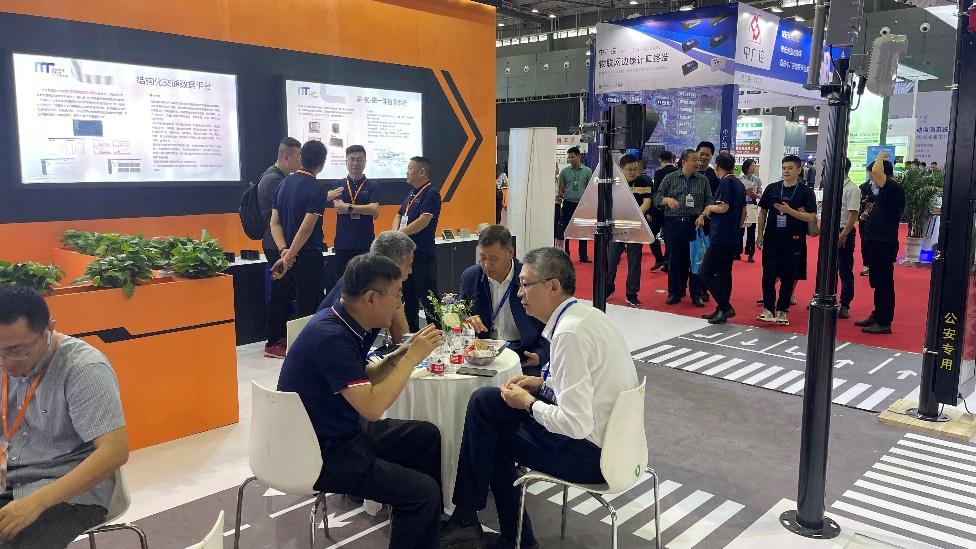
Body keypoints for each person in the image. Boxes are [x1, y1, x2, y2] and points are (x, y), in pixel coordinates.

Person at [440, 247, 638, 549]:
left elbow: (575, 424)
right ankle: (470, 520)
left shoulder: (569, 334)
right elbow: (588, 385)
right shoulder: (588, 316)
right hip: (619, 443)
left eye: (525, 285)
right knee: (485, 402)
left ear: (553, 287)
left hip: (592, 456)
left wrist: (529, 403)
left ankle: (506, 535)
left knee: (492, 435)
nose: (519, 293)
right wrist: (541, 383)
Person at [278, 254, 444, 549]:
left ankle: (419, 529)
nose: (399, 304)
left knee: (425, 435)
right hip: (321, 453)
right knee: (423, 493)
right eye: (397, 295)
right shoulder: (332, 337)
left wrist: (399, 355)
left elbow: (361, 378)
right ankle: (417, 515)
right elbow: (372, 408)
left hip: (333, 434)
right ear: (371, 298)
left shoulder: (340, 321)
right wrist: (413, 359)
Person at [0, 284, 128, 548]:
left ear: (49, 328)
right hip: (8, 478)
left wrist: (37, 502)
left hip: (67, 490)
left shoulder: (83, 368)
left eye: (16, 350)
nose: (6, 362)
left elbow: (115, 451)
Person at [460, 225, 549, 376]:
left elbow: (548, 321)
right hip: (483, 353)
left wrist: (541, 353)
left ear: (510, 252)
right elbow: (460, 313)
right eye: (482, 257)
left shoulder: (531, 277)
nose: (487, 264)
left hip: (523, 353)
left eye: (494, 259)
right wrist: (467, 320)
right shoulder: (470, 277)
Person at [269, 140, 330, 331]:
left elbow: (274, 223)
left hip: (288, 254)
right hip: (307, 256)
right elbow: (306, 228)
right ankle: (306, 347)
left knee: (289, 305)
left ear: (301, 158)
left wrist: (284, 251)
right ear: (322, 164)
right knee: (309, 309)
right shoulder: (317, 189)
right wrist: (290, 255)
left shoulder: (284, 183)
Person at [318, 230, 415, 348]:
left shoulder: (377, 283)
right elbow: (403, 341)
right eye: (408, 265)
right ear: (392, 266)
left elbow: (403, 339)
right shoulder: (357, 288)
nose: (410, 271)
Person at [755, 155, 817, 326]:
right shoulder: (773, 188)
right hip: (771, 238)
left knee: (788, 276)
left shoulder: (805, 192)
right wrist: (760, 235)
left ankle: (782, 311)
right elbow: (763, 213)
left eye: (790, 168)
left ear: (799, 170)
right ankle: (768, 309)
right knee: (768, 275)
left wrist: (790, 211)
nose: (786, 171)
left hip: (793, 240)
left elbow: (810, 216)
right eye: (784, 168)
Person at [256, 137, 303, 358]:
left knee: (285, 292)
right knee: (280, 292)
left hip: (282, 244)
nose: (301, 160)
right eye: (298, 156)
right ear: (286, 157)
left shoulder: (281, 178)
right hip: (276, 245)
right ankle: (272, 341)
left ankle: (281, 337)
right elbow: (286, 212)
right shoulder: (272, 180)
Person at [653, 149, 713, 307]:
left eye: (698, 160)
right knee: (674, 259)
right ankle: (675, 292)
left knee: (695, 258)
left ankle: (696, 293)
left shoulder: (703, 180)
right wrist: (667, 200)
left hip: (695, 223)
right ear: (684, 162)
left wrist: (703, 216)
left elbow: (709, 201)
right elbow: (656, 198)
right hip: (673, 223)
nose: (698, 163)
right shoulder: (670, 178)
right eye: (694, 160)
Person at [854, 153, 906, 334]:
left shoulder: (892, 187)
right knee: (877, 282)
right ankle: (877, 315)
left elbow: (877, 171)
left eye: (871, 174)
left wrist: (880, 156)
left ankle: (884, 321)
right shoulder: (887, 191)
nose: (871, 177)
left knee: (884, 283)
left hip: (884, 242)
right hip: (877, 242)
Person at [394, 157, 442, 333]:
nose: (407, 172)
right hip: (406, 255)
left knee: (428, 298)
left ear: (421, 172)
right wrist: (394, 233)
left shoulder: (431, 193)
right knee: (409, 298)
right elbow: (398, 216)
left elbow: (424, 220)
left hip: (423, 254)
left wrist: (399, 234)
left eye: (409, 168)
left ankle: (437, 335)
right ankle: (411, 335)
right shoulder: (411, 194)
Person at [697, 152, 746, 324]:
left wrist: (709, 208)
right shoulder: (738, 183)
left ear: (717, 166)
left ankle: (725, 307)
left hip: (721, 235)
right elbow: (743, 211)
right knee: (725, 273)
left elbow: (723, 207)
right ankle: (721, 309)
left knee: (705, 272)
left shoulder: (726, 182)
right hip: (731, 235)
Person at [330, 145, 380, 289]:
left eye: (359, 159)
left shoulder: (373, 186)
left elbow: (373, 208)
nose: (355, 163)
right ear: (346, 162)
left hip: (365, 241)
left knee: (366, 283)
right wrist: (365, 209)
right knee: (343, 283)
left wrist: (349, 208)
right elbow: (339, 207)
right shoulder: (338, 184)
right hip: (343, 242)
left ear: (365, 162)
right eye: (351, 159)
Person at [607, 154, 653, 307]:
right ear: (621, 169)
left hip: (635, 225)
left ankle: (632, 293)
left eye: (636, 169)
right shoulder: (615, 183)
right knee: (612, 259)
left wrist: (634, 215)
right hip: (617, 226)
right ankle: (608, 287)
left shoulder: (644, 182)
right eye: (630, 169)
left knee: (634, 261)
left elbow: (647, 202)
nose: (633, 172)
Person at [556, 147, 593, 263]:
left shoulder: (587, 171)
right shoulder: (565, 172)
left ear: (579, 156)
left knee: (583, 230)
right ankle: (566, 254)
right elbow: (561, 188)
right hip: (568, 204)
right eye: (569, 158)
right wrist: (560, 202)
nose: (570, 159)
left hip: (582, 205)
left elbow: (590, 188)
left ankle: (583, 255)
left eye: (572, 157)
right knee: (566, 229)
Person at [837, 158, 861, 320]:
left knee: (845, 269)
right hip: (831, 231)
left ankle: (845, 304)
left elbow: (853, 214)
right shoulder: (834, 187)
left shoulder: (852, 189)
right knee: (827, 268)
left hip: (843, 230)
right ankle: (825, 296)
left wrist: (844, 234)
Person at [648, 151, 675, 272]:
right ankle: (668, 262)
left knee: (651, 233)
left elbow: (656, 193)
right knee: (669, 237)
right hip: (673, 208)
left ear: (660, 160)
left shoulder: (659, 173)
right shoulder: (677, 172)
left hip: (659, 208)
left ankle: (660, 258)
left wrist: (651, 210)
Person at [740, 159, 763, 263]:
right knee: (740, 230)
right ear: (747, 167)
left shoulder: (757, 180)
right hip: (741, 206)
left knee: (751, 231)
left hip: (752, 206)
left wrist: (754, 194)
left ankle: (751, 254)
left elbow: (760, 195)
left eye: (755, 166)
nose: (754, 168)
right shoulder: (739, 179)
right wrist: (744, 193)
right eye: (752, 166)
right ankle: (737, 252)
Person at [858, 169, 879, 276]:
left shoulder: (883, 187)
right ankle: (866, 265)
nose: (871, 175)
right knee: (865, 242)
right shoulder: (863, 187)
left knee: (878, 243)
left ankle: (877, 266)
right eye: (869, 173)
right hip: (865, 219)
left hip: (879, 219)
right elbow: (860, 201)